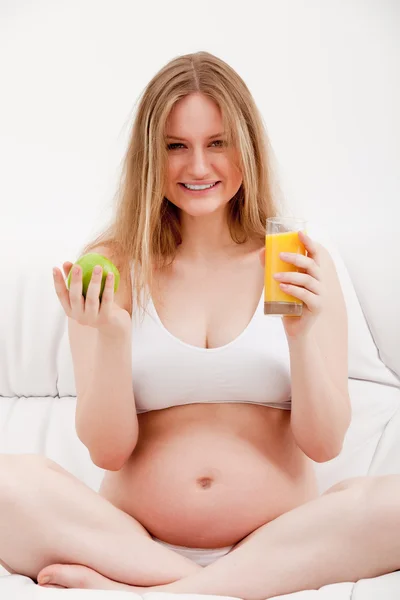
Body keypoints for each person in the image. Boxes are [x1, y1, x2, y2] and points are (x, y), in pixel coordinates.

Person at [1, 51, 399, 600]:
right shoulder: (113, 264)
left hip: (280, 544)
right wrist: (113, 338)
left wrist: (302, 338)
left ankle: (156, 590)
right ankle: (202, 586)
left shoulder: (294, 261)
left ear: (247, 148)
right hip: (128, 539)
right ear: (149, 155)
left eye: (218, 143)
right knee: (8, 483)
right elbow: (107, 453)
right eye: (175, 147)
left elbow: (325, 443)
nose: (198, 167)